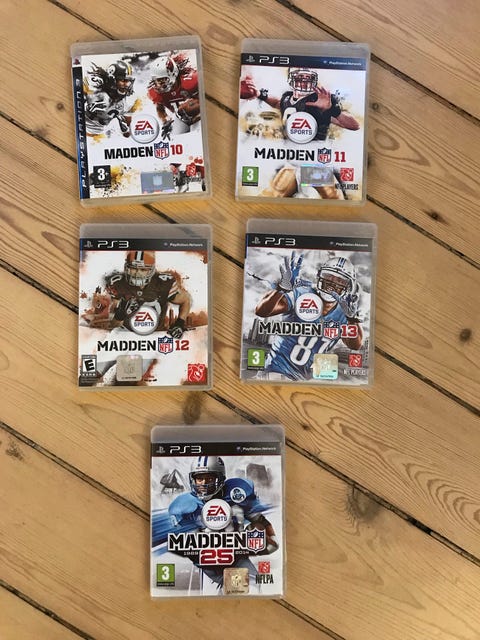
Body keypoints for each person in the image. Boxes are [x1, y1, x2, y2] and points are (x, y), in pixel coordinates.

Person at [167, 456, 279, 592]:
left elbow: (259, 520)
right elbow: (184, 543)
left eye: (209, 478)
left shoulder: (236, 492)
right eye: (199, 479)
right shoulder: (184, 505)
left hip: (237, 560)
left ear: (220, 478)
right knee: (211, 602)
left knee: (250, 593)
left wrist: (271, 538)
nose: (203, 484)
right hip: (209, 568)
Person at [255, 252, 363, 380]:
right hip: (276, 371)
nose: (332, 284)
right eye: (328, 277)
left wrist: (352, 318)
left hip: (302, 379)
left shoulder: (345, 313)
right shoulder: (302, 294)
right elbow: (261, 311)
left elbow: (355, 345)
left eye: (340, 280)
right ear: (319, 276)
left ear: (349, 287)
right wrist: (281, 289)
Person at [240, 67, 359, 141]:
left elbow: (354, 125)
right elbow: (278, 103)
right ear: (291, 79)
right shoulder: (287, 97)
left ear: (314, 80)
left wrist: (333, 110)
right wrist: (260, 94)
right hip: (289, 153)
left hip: (313, 154)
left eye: (308, 78)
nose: (304, 81)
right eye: (300, 77)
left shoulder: (317, 100)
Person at [104, 250, 191, 338]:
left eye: (143, 269)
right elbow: (112, 323)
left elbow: (185, 300)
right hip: (127, 334)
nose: (137, 273)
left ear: (151, 270)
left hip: (156, 334)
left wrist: (179, 324)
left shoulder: (163, 284)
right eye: (133, 268)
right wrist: (122, 311)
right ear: (127, 268)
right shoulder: (118, 284)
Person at [148, 53, 201, 138]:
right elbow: (160, 109)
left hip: (198, 115)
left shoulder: (190, 82)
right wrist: (166, 120)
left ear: (173, 74)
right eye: (157, 81)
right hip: (180, 118)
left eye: (162, 80)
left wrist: (190, 106)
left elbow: (205, 101)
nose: (159, 85)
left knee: (197, 134)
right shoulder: (156, 93)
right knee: (175, 138)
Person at [84, 60, 135, 136]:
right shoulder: (96, 91)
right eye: (123, 80)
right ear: (112, 79)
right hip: (88, 128)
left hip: (105, 131)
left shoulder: (127, 101)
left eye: (128, 81)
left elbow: (127, 131)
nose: (127, 84)